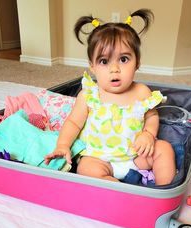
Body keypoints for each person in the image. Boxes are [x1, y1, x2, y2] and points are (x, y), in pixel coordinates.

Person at [45, 9, 176, 185]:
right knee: (85, 168)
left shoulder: (142, 92)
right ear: (92, 66)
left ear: (137, 62)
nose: (114, 69)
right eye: (104, 61)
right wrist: (62, 145)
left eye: (123, 59)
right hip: (100, 159)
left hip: (137, 157)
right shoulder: (89, 96)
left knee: (164, 149)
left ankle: (163, 191)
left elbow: (151, 116)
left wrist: (148, 134)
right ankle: (117, 190)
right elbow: (73, 123)